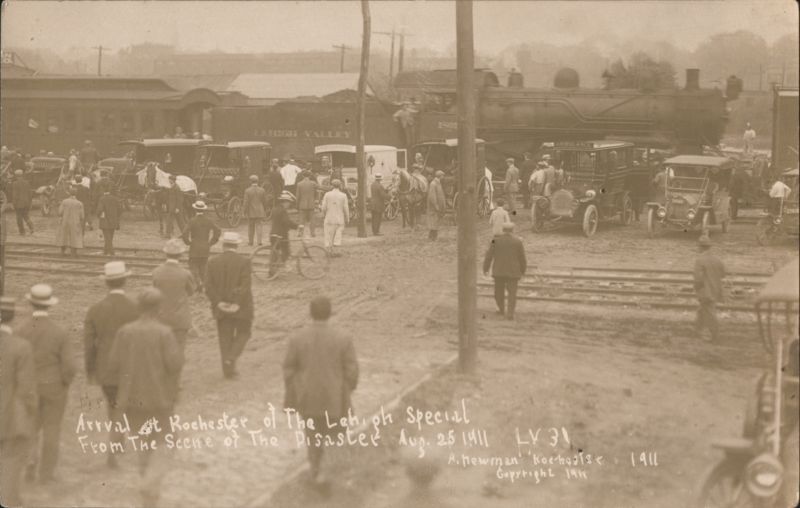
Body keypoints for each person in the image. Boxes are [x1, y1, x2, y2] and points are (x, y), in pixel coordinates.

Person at [108, 288, 183, 506]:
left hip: (131, 400)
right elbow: (175, 364)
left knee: (142, 443)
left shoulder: (125, 332)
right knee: (166, 441)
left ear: (139, 308)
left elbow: (113, 364)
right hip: (160, 399)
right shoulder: (164, 333)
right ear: (159, 308)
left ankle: (149, 496)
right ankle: (150, 485)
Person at [283, 296, 359, 486]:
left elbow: (288, 369)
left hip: (308, 399)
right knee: (335, 436)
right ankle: (331, 475)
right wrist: (346, 389)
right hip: (335, 399)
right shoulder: (343, 338)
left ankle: (316, 473)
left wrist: (298, 389)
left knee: (313, 437)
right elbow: (352, 370)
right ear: (330, 313)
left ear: (310, 313)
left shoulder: (297, 338)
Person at [15, 284, 77, 483]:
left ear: (31, 303)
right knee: (52, 429)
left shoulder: (19, 330)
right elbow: (69, 366)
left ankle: (29, 465)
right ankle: (46, 473)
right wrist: (64, 383)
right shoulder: (60, 332)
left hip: (28, 388)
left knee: (30, 428)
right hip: (54, 388)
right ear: (49, 305)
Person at [83, 261, 139, 468]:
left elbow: (89, 344)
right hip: (131, 367)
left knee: (113, 405)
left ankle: (118, 441)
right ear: (125, 281)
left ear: (107, 283)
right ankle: (115, 447)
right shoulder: (135, 307)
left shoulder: (95, 309)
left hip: (106, 368)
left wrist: (90, 369)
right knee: (124, 406)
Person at [1, 297, 37, 507]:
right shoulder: (21, 347)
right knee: (10, 459)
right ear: (12, 317)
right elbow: (26, 389)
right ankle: (9, 499)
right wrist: (31, 411)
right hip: (8, 416)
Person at [205, 232, 253, 378]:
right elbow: (245, 285)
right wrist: (236, 303)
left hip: (221, 307)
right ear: (237, 245)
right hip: (242, 308)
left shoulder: (212, 262)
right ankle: (232, 356)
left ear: (223, 245)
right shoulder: (244, 262)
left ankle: (228, 371)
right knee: (244, 332)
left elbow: (208, 286)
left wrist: (219, 302)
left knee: (224, 338)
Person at [152, 239, 194, 357]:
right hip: (180, 319)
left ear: (166, 254)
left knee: (162, 354)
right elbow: (191, 292)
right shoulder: (185, 273)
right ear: (180, 255)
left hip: (161, 318)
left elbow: (154, 290)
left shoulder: (156, 272)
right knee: (178, 354)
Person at [482, 223, 527, 320]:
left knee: (498, 292)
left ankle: (501, 309)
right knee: (512, 293)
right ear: (513, 230)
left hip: (499, 271)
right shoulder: (518, 242)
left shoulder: (495, 241)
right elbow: (522, 258)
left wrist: (485, 269)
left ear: (503, 230)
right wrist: (523, 271)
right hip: (513, 272)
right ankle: (510, 314)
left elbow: (489, 256)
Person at [181, 201, 221, 293]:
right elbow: (218, 230)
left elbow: (184, 233)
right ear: (204, 210)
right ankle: (203, 285)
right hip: (205, 247)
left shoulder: (192, 220)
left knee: (193, 266)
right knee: (203, 267)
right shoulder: (208, 220)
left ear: (195, 209)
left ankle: (198, 283)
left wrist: (188, 242)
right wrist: (211, 242)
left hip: (194, 247)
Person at [693, 235, 725, 342]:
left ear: (700, 247)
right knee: (702, 310)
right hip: (716, 290)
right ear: (709, 247)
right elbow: (723, 274)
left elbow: (698, 278)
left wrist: (697, 290)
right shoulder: (717, 259)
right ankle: (697, 330)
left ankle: (714, 335)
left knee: (710, 313)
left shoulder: (699, 260)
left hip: (705, 292)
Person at [270, 191, 300, 273]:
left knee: (274, 253)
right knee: (286, 252)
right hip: (281, 235)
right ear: (285, 202)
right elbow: (286, 221)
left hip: (273, 234)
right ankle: (279, 267)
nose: (289, 204)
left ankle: (273, 271)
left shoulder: (275, 209)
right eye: (289, 202)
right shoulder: (283, 210)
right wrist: (296, 226)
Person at [321, 179, 349, 257]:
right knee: (338, 235)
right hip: (339, 218)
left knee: (328, 235)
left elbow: (323, 207)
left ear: (332, 185)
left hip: (329, 217)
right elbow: (346, 208)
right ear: (340, 185)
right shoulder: (343, 195)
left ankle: (329, 251)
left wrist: (324, 214)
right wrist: (347, 218)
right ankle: (336, 252)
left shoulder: (327, 194)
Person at [55, 188, 84, 257]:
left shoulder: (64, 201)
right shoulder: (79, 203)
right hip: (75, 222)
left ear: (69, 193)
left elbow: (60, 212)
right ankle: (73, 253)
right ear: (76, 194)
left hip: (65, 221)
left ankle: (62, 252)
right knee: (75, 237)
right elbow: (82, 216)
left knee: (63, 236)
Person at [242, 174, 269, 246]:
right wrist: (265, 210)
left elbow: (246, 202)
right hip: (260, 211)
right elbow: (265, 201)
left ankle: (251, 242)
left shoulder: (247, 191)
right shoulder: (262, 190)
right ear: (257, 181)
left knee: (251, 227)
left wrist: (244, 211)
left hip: (251, 212)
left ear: (250, 181)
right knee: (259, 226)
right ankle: (259, 242)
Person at [96, 188, 122, 256]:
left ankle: (111, 251)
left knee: (107, 237)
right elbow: (120, 209)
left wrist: (98, 215)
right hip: (113, 220)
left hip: (105, 220)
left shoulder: (102, 199)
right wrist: (116, 216)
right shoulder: (115, 199)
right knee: (110, 236)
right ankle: (106, 250)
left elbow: (100, 209)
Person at [11, 169, 34, 235]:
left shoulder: (15, 183)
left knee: (19, 218)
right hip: (26, 203)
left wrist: (13, 204)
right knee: (26, 216)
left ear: (16, 176)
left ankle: (22, 232)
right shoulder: (27, 182)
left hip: (19, 204)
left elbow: (15, 195)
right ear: (22, 175)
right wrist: (30, 202)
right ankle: (31, 227)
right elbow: (30, 194)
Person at [295, 172, 317, 238]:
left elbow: (298, 196)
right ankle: (312, 233)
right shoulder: (313, 183)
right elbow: (316, 193)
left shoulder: (299, 184)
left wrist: (297, 205)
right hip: (311, 204)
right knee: (312, 219)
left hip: (302, 204)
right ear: (309, 176)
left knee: (301, 219)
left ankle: (300, 233)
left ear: (302, 176)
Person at [427, 170, 446, 240]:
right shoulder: (433, 184)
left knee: (435, 221)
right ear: (440, 176)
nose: (443, 177)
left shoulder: (438, 183)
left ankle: (433, 236)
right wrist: (436, 205)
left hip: (437, 206)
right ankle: (432, 237)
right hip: (434, 207)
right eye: (442, 176)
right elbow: (432, 196)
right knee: (433, 221)